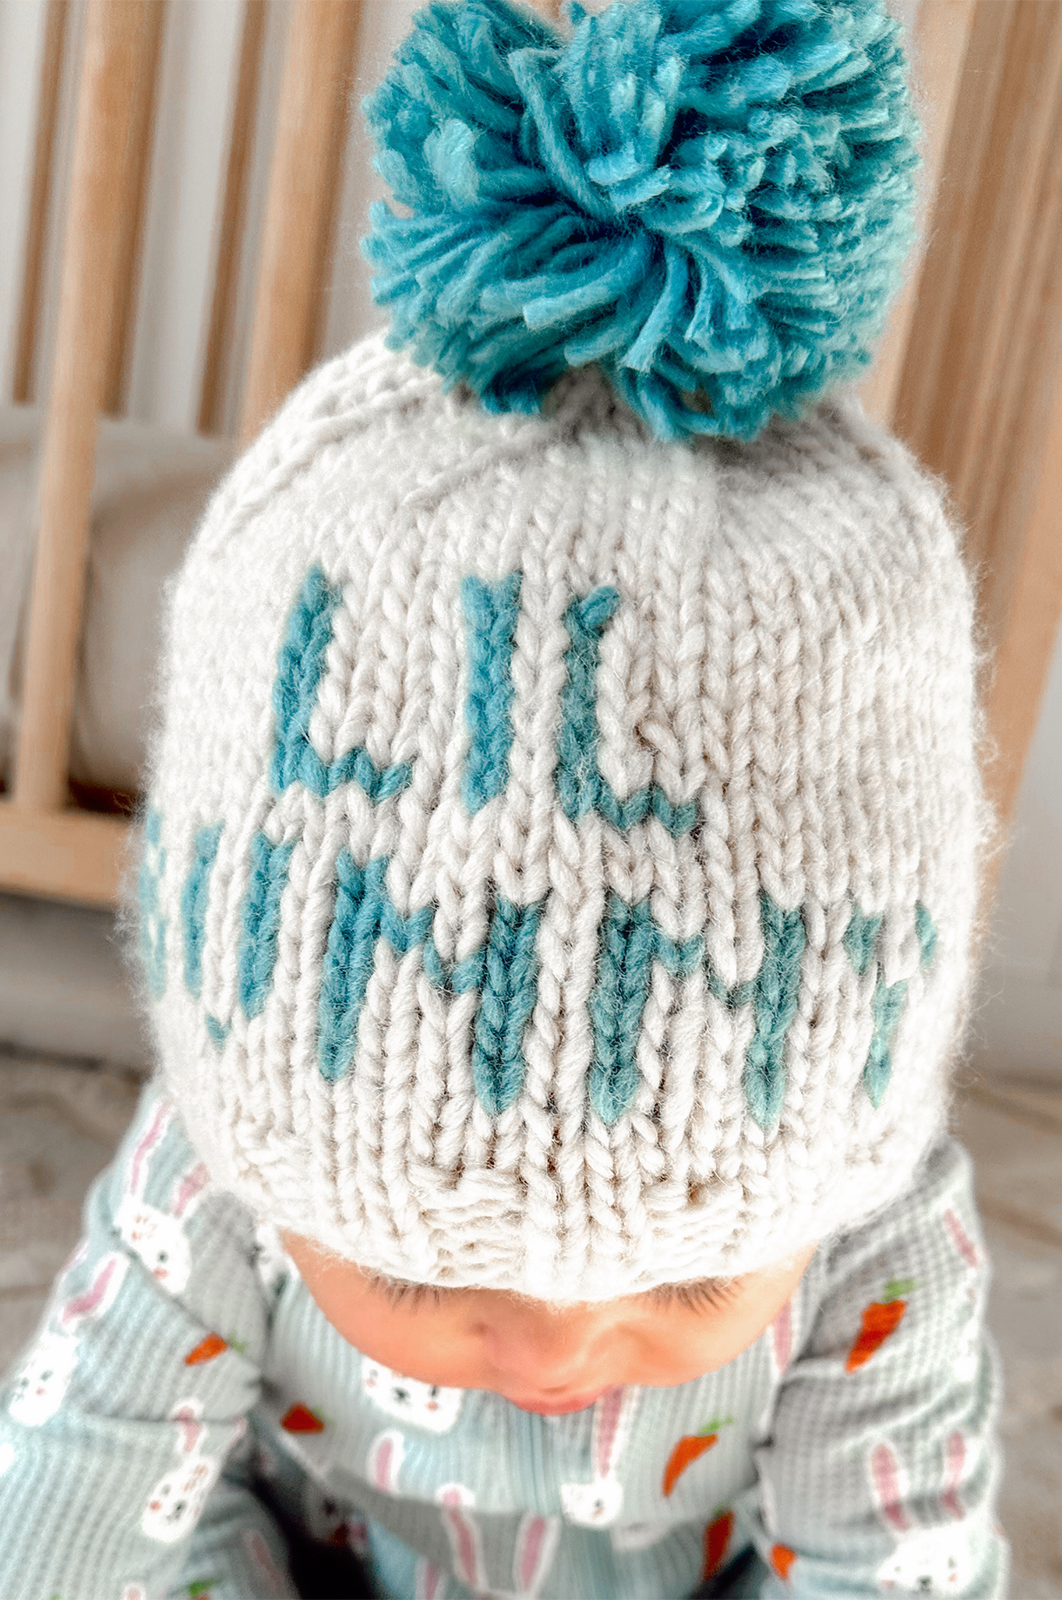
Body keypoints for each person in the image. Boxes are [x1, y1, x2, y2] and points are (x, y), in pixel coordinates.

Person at [0, 0, 1010, 1594]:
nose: (553, 1353)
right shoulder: (219, 1172)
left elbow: (903, 1560)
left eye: (689, 1283)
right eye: (409, 1260)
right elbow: (72, 1480)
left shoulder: (869, 1237)